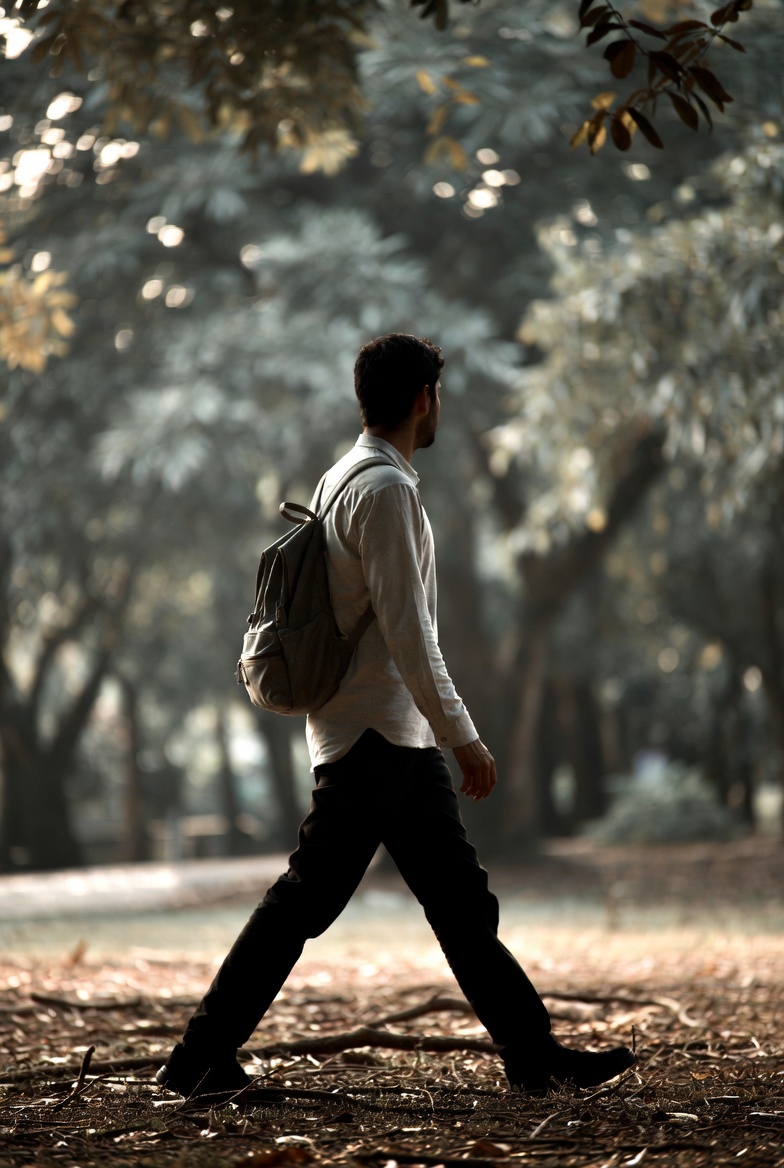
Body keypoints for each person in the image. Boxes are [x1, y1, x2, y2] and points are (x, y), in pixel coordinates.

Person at [156, 333, 635, 1100]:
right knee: (305, 901)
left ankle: (532, 1052)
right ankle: (198, 1057)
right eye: (437, 395)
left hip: (392, 736)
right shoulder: (384, 491)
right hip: (375, 734)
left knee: (458, 899)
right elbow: (412, 635)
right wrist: (467, 737)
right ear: (423, 399)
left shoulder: (347, 475)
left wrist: (436, 733)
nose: (437, 407)